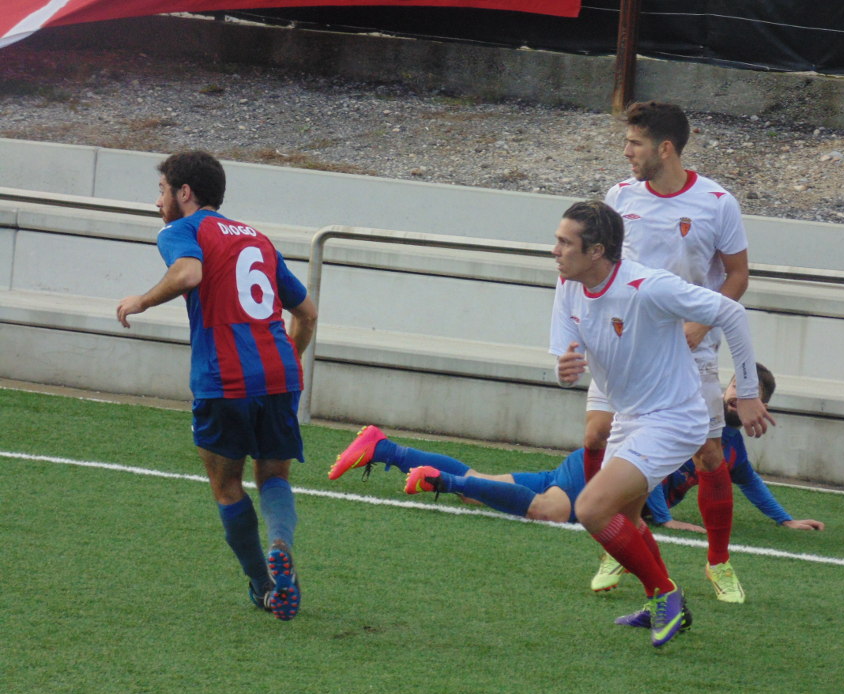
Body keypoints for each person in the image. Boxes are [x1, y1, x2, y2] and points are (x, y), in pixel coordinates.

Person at [549, 200, 773, 648]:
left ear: (596, 252)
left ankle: (665, 595)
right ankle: (665, 601)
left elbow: (732, 313)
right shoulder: (569, 284)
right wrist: (564, 368)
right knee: (625, 519)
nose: (555, 251)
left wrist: (748, 392)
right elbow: (565, 350)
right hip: (630, 417)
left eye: (565, 243)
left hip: (674, 418)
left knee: (591, 509)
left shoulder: (648, 285)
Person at [115, 150, 318, 621]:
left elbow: (189, 273)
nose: (158, 202)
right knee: (274, 477)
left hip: (224, 378)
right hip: (279, 374)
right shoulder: (258, 238)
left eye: (162, 191)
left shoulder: (180, 230)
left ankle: (263, 586)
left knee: (227, 485)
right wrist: (288, 361)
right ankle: (281, 543)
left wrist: (142, 300)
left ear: (184, 192)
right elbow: (307, 314)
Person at [584, 101, 754, 604]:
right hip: (625, 343)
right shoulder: (619, 196)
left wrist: (701, 324)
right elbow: (603, 268)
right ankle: (619, 541)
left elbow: (738, 275)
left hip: (688, 346)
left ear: (664, 148)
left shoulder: (717, 202)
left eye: (634, 143)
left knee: (708, 453)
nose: (626, 151)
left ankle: (718, 563)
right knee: (597, 434)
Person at [593, 364, 825, 592]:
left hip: (633, 508)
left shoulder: (733, 447)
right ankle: (621, 551)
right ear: (724, 390)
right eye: (735, 386)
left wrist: (785, 519)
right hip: (598, 484)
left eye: (749, 392)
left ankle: (692, 568)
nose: (738, 394)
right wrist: (665, 519)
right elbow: (644, 461)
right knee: (583, 505)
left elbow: (749, 481)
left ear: (761, 407)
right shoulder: (690, 422)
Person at [327, 425, 694, 526]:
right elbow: (647, 465)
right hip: (595, 469)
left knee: (477, 487)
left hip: (586, 467)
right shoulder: (699, 440)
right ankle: (440, 480)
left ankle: (384, 448)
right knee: (550, 510)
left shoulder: (718, 450)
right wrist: (666, 520)